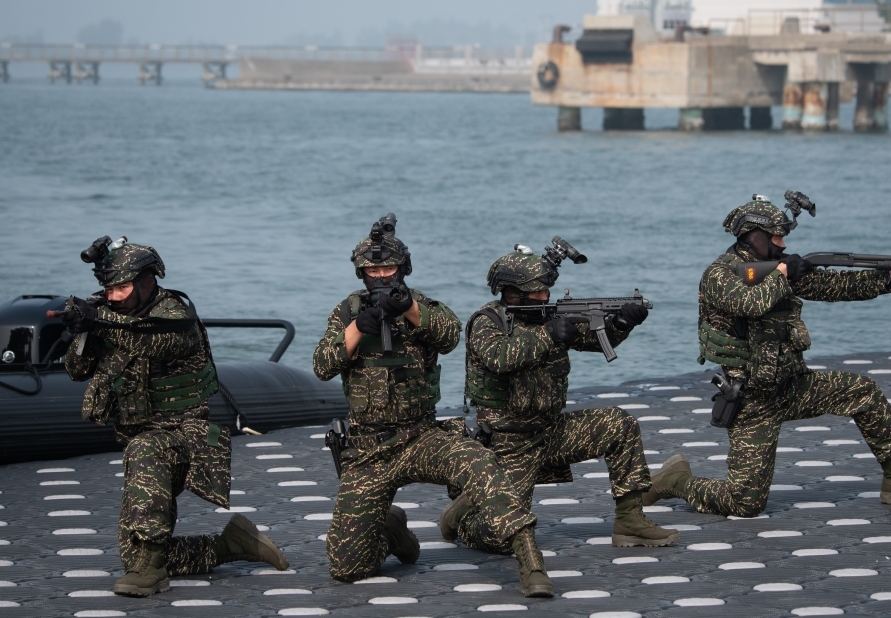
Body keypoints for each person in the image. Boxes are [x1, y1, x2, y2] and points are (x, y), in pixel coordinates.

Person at [642, 196, 891, 517]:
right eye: (776, 238)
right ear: (754, 237)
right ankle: (673, 481)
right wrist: (784, 274)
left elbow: (835, 286)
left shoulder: (776, 270)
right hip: (752, 401)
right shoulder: (720, 275)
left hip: (792, 387)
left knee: (864, 392)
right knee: (744, 504)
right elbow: (750, 304)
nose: (783, 244)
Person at [313, 215, 552, 597]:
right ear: (362, 273)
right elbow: (322, 366)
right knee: (347, 567)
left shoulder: (422, 305)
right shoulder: (347, 312)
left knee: (479, 462)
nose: (381, 276)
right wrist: (357, 329)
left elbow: (450, 336)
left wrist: (410, 309)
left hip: (422, 436)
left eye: (389, 268)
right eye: (373, 270)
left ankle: (530, 558)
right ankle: (391, 532)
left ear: (403, 269)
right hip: (370, 448)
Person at [63, 237, 287, 598]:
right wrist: (81, 331)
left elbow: (154, 341)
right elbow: (76, 371)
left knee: (146, 449)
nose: (113, 297)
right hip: (141, 440)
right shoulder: (111, 316)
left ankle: (152, 575)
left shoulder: (176, 317)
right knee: (135, 556)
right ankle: (232, 544)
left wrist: (99, 319)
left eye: (121, 288)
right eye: (108, 289)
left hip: (187, 438)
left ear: (146, 282)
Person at [442, 243, 680, 553]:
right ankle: (460, 517)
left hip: (552, 431)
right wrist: (549, 334)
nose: (545, 297)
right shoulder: (488, 322)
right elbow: (499, 357)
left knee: (619, 424)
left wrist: (621, 323)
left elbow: (593, 340)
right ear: (512, 292)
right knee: (502, 539)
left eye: (546, 290)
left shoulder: (550, 317)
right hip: (509, 443)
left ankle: (630, 521)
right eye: (537, 291)